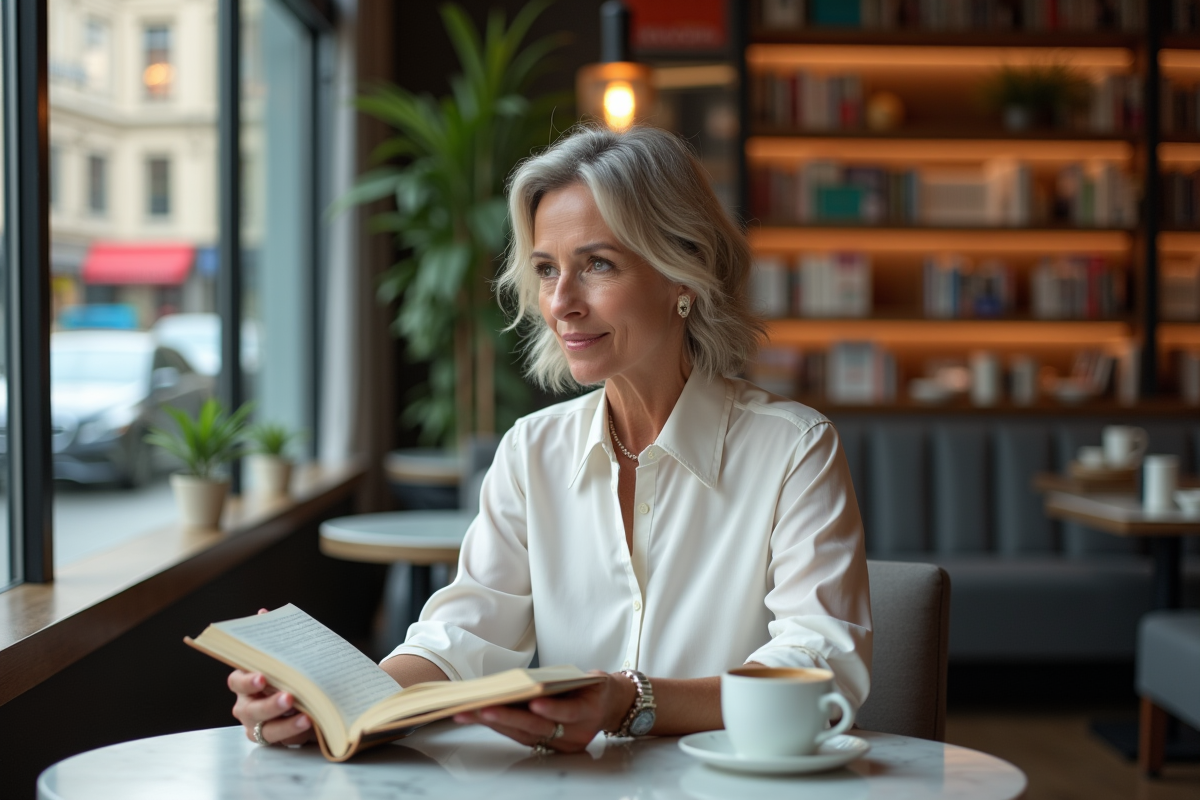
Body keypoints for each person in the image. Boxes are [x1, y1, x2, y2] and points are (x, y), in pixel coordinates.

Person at [229, 125, 872, 755]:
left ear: (684, 273)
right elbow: (462, 642)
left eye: (597, 264)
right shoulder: (530, 452)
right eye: (545, 269)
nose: (561, 301)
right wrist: (331, 702)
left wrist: (631, 700)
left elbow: (818, 666)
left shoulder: (794, 449)